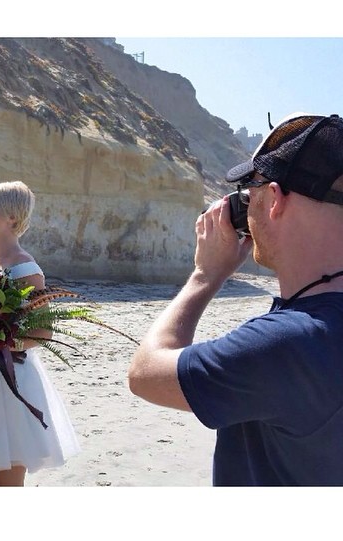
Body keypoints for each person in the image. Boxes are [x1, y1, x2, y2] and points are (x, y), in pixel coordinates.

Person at [128, 113, 343, 486]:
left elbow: (145, 374)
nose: (247, 203)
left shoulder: (286, 344)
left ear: (274, 199)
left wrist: (205, 274)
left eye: (251, 187)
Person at [0, 180, 80, 486]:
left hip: (12, 379)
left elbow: (42, 332)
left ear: (12, 218)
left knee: (8, 483)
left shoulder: (27, 269)